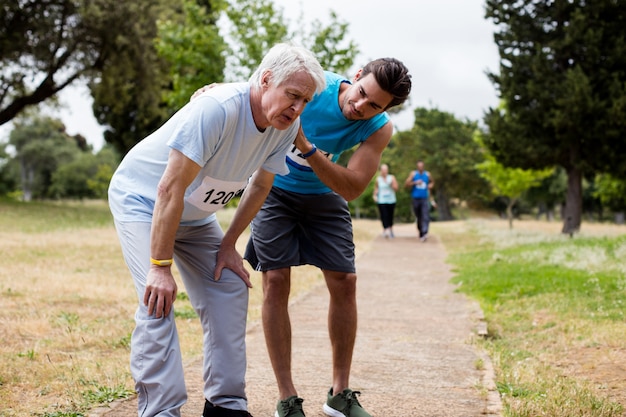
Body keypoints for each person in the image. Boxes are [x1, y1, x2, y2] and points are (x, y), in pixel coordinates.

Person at [107, 43, 325, 417]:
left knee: (229, 285)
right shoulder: (218, 109)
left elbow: (260, 185)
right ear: (266, 79)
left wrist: (228, 245)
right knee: (157, 299)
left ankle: (226, 404)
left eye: (305, 100)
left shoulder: (285, 127)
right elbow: (169, 188)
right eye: (292, 96)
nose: (297, 108)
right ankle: (160, 410)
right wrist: (159, 267)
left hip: (195, 215)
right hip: (145, 201)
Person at [241, 58, 412, 417]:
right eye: (362, 93)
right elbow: (256, 91)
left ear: (385, 110)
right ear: (357, 75)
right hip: (273, 189)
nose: (360, 106)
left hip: (324, 195)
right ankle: (287, 398)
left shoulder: (379, 129)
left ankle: (339, 393)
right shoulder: (314, 87)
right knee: (274, 279)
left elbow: (351, 188)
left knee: (345, 280)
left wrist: (306, 146)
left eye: (374, 105)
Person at [404, 160, 434, 242]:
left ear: (423, 166)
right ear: (417, 167)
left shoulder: (427, 174)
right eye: (419, 166)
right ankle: (421, 231)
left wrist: (430, 186)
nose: (420, 168)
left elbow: (432, 182)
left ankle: (424, 232)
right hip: (415, 198)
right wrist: (415, 182)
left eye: (422, 166)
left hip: (424, 198)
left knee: (425, 215)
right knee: (419, 216)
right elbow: (406, 184)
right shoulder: (413, 174)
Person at [372, 163, 398, 238]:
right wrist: (374, 196)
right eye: (383, 170)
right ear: (381, 170)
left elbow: (396, 188)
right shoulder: (378, 179)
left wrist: (391, 185)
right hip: (382, 200)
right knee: (384, 215)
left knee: (390, 215)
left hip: (391, 200)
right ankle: (385, 229)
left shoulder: (392, 178)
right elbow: (376, 189)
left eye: (386, 170)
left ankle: (390, 229)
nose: (384, 171)